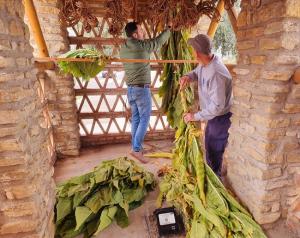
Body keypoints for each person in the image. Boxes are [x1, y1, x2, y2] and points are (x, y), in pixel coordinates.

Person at [179, 34, 233, 178]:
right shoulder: (205, 63)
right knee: (210, 147)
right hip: (213, 116)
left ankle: (216, 182)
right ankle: (213, 175)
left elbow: (217, 107)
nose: (193, 53)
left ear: (197, 53)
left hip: (220, 118)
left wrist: (194, 116)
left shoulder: (216, 73)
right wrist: (188, 76)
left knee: (214, 151)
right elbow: (196, 73)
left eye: (193, 50)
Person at [120, 22, 171, 163]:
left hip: (130, 89)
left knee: (136, 118)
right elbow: (158, 41)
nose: (144, 33)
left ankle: (136, 147)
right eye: (141, 31)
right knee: (144, 119)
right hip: (141, 90)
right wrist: (169, 29)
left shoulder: (123, 47)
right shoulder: (142, 47)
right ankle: (136, 150)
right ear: (135, 35)